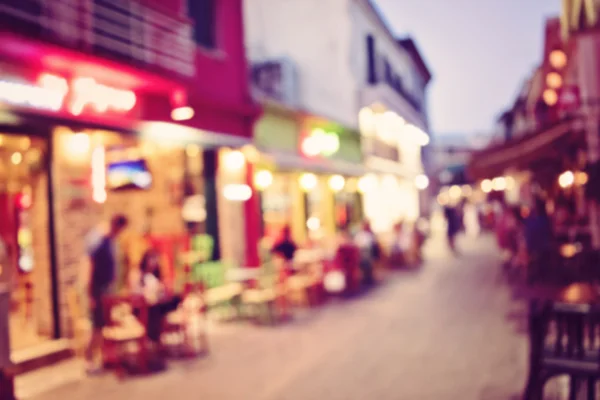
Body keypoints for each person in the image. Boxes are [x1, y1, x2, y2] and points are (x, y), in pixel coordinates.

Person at [84, 214, 128, 374]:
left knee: (102, 326)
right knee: (96, 326)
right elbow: (89, 267)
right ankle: (88, 360)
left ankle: (102, 357)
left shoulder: (109, 241)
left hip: (104, 290)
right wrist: (90, 295)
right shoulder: (100, 241)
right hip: (97, 291)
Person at [137, 249, 181, 347]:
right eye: (151, 259)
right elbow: (138, 292)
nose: (154, 262)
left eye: (155, 260)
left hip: (156, 304)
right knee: (156, 310)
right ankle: (154, 338)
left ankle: (157, 338)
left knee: (176, 298)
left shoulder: (155, 276)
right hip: (144, 307)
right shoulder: (140, 275)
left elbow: (162, 291)